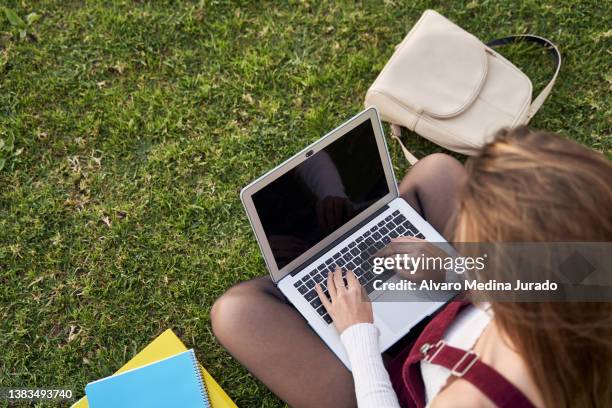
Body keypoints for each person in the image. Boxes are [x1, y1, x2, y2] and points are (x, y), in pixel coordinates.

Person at [211, 127, 612, 407]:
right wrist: (451, 271)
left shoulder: (469, 402)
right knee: (437, 170)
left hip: (394, 383)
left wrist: (359, 335)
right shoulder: (588, 267)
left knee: (237, 312)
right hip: (459, 322)